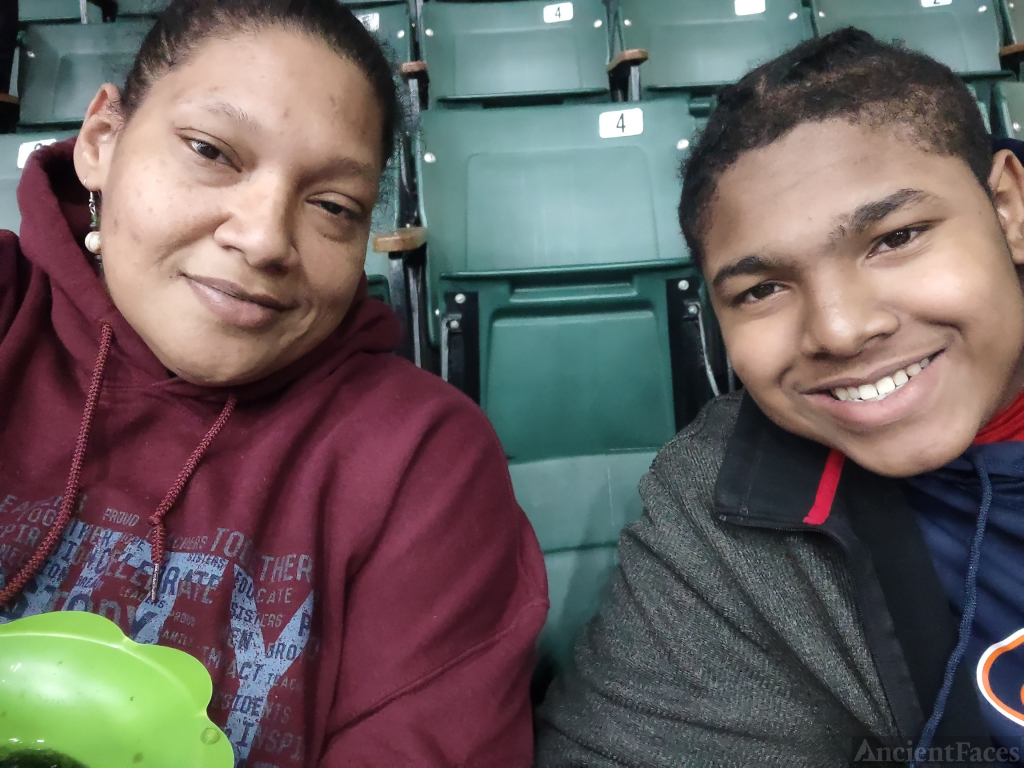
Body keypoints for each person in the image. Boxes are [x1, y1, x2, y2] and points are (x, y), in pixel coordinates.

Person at [0, 1, 548, 765]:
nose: (262, 239)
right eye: (211, 151)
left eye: (332, 205)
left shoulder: (420, 461)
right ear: (101, 140)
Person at [535, 29, 1024, 767]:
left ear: (1009, 208)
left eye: (895, 237)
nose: (840, 330)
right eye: (762, 289)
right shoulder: (721, 515)